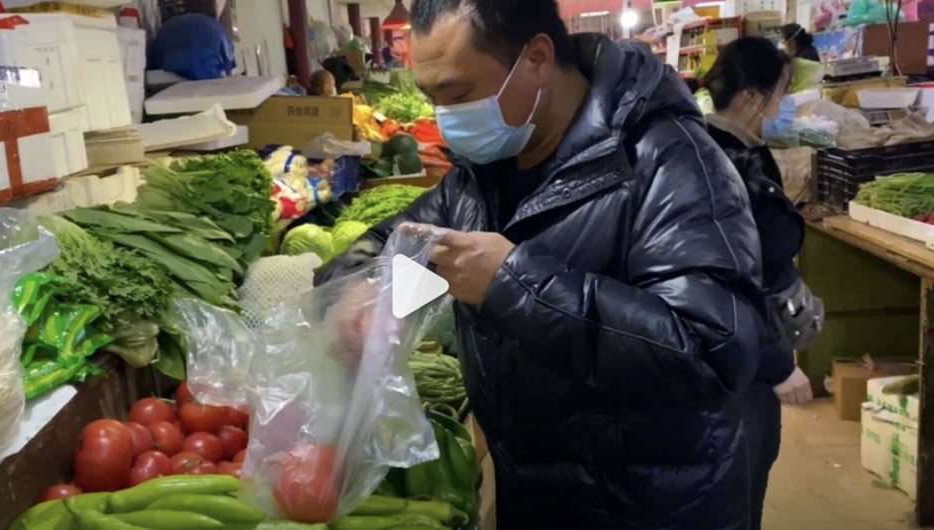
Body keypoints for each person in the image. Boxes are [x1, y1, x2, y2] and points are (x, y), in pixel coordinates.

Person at [318, 1, 768, 528]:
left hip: (653, 505)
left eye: (458, 95)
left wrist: (515, 286)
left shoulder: (672, 163)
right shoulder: (483, 174)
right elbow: (405, 243)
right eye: (430, 98)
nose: (444, 118)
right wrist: (360, 286)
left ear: (535, 59)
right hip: (533, 493)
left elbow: (713, 354)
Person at [701, 36, 818, 530]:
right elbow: (725, 282)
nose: (783, 107)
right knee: (737, 482)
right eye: (781, 94)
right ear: (752, 97)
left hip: (745, 355)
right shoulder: (720, 167)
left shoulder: (735, 150)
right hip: (737, 364)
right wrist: (776, 365)